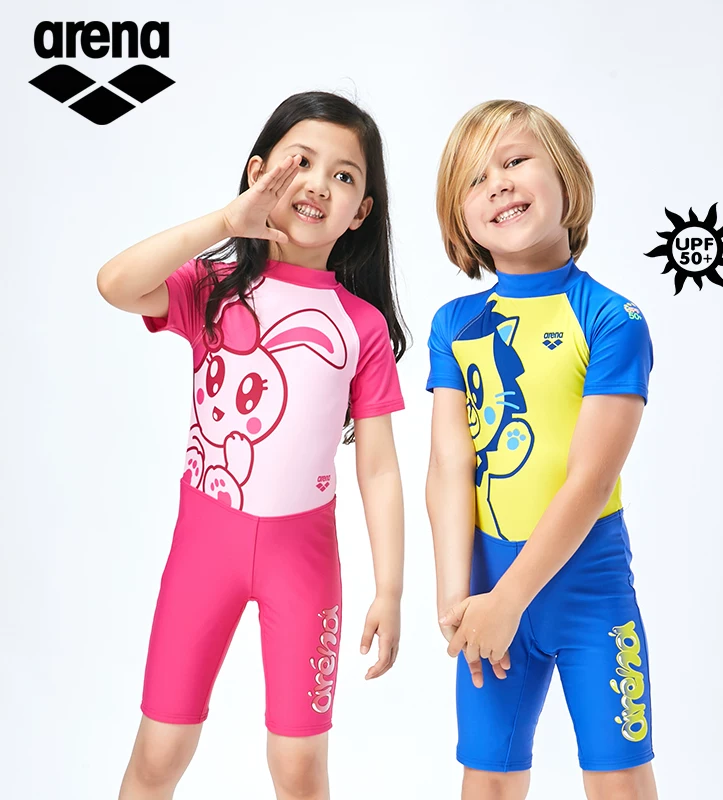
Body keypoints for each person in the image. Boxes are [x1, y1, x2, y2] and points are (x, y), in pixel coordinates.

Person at [97, 91, 407, 800]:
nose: (318, 184)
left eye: (343, 175)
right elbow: (115, 284)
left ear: (361, 211)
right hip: (203, 549)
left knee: (299, 769)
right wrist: (225, 222)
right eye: (301, 162)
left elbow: (379, 468)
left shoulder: (360, 326)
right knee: (159, 753)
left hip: (305, 562)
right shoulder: (212, 289)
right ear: (259, 172)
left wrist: (389, 589)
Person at [425, 100, 659, 800]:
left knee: (618, 779)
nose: (496, 183)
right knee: (488, 779)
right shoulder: (455, 323)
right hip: (485, 582)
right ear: (459, 217)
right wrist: (457, 598)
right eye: (474, 178)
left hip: (590, 589)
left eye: (514, 161)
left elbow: (590, 480)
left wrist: (510, 600)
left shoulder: (612, 319)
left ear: (565, 177)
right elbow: (449, 465)